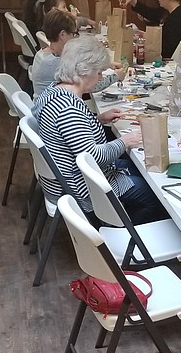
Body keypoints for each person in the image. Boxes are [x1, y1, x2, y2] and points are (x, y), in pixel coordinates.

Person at [35, 36, 169, 225]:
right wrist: (126, 141)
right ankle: (120, 235)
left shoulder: (54, 90)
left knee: (141, 171)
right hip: (82, 187)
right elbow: (93, 157)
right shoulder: (68, 109)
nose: (99, 78)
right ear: (84, 71)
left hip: (71, 176)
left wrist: (96, 119)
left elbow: (69, 133)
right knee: (157, 196)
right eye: (98, 73)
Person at [31, 10, 120, 101]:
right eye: (74, 34)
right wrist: (116, 76)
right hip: (54, 110)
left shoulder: (42, 54)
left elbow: (78, 61)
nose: (75, 38)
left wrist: (105, 64)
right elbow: (90, 85)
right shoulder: (54, 63)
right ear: (62, 35)